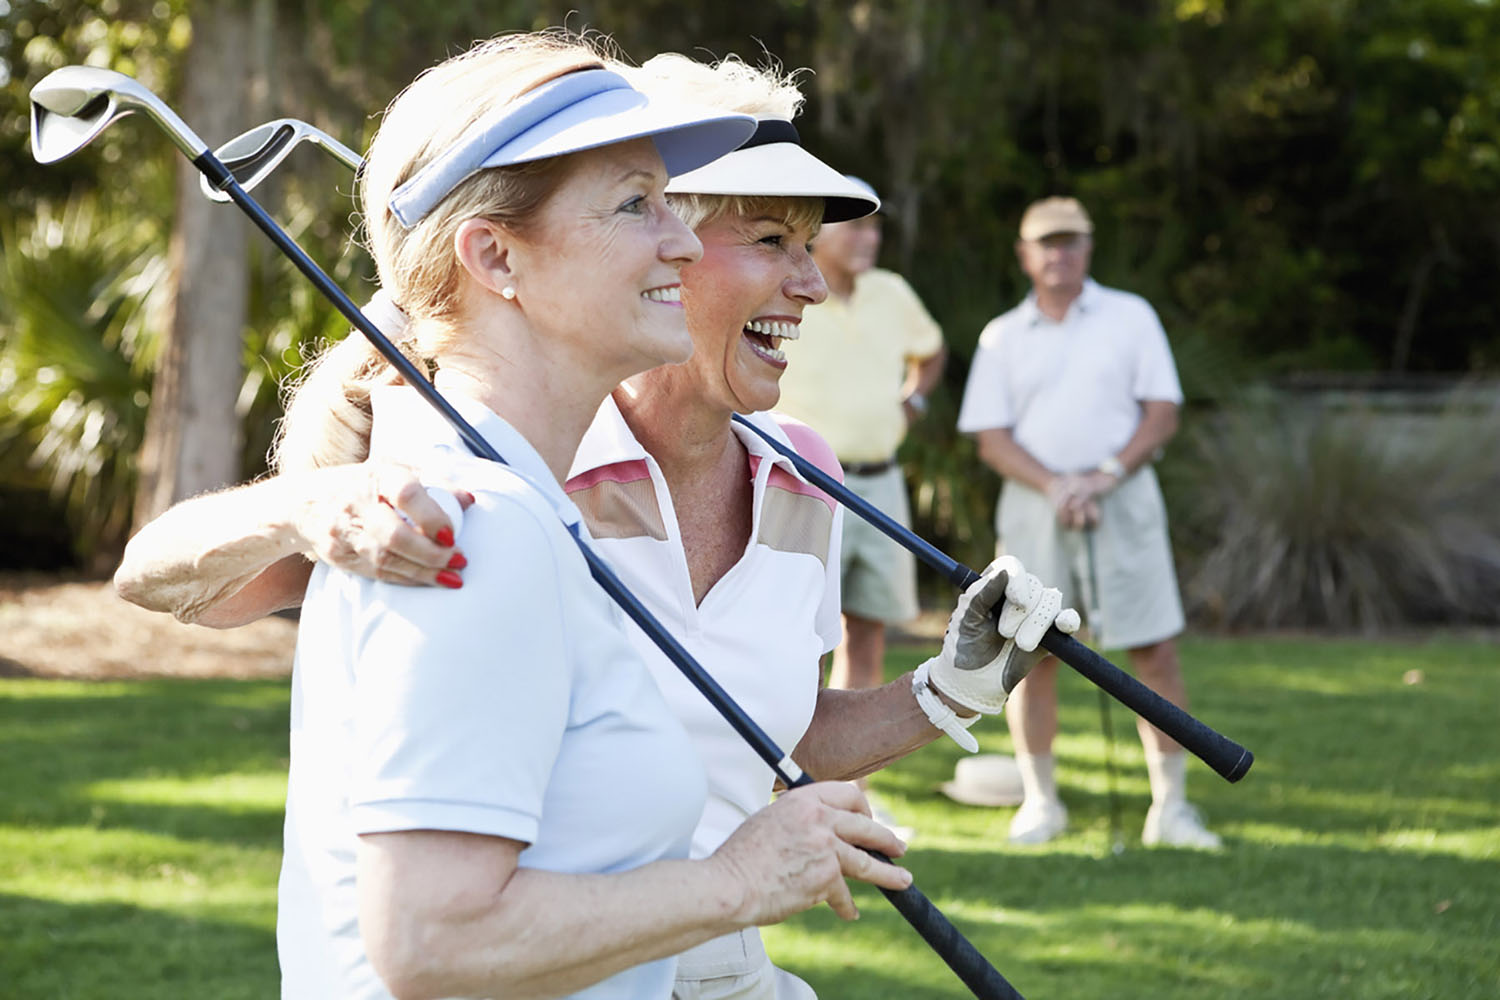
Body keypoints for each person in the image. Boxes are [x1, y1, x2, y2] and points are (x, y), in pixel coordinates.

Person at [115, 49, 1080, 998]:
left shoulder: (725, 479)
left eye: (669, 204)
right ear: (494, 257)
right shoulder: (471, 514)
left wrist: (949, 689)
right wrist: (308, 501)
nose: (810, 279)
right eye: (640, 206)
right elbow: (430, 942)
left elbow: (755, 733)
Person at [956, 196, 1221, 849]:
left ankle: (1172, 809)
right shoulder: (1002, 335)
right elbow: (990, 438)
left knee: (1153, 650)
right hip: (1031, 501)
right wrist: (1057, 485)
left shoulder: (1130, 316)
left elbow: (1161, 413)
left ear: (1088, 249)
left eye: (1070, 241)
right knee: (1031, 652)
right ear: (1024, 254)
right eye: (1046, 243)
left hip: (1124, 496)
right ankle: (1041, 804)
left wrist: (1102, 476)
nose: (1059, 253)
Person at [771, 187, 947, 724]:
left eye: (874, 227)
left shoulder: (891, 291)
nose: (868, 237)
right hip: (803, 484)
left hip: (881, 481)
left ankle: (856, 787)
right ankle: (795, 771)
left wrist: (911, 402)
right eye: (855, 226)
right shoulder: (788, 288)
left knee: (868, 629)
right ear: (818, 234)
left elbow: (932, 350)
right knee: (804, 635)